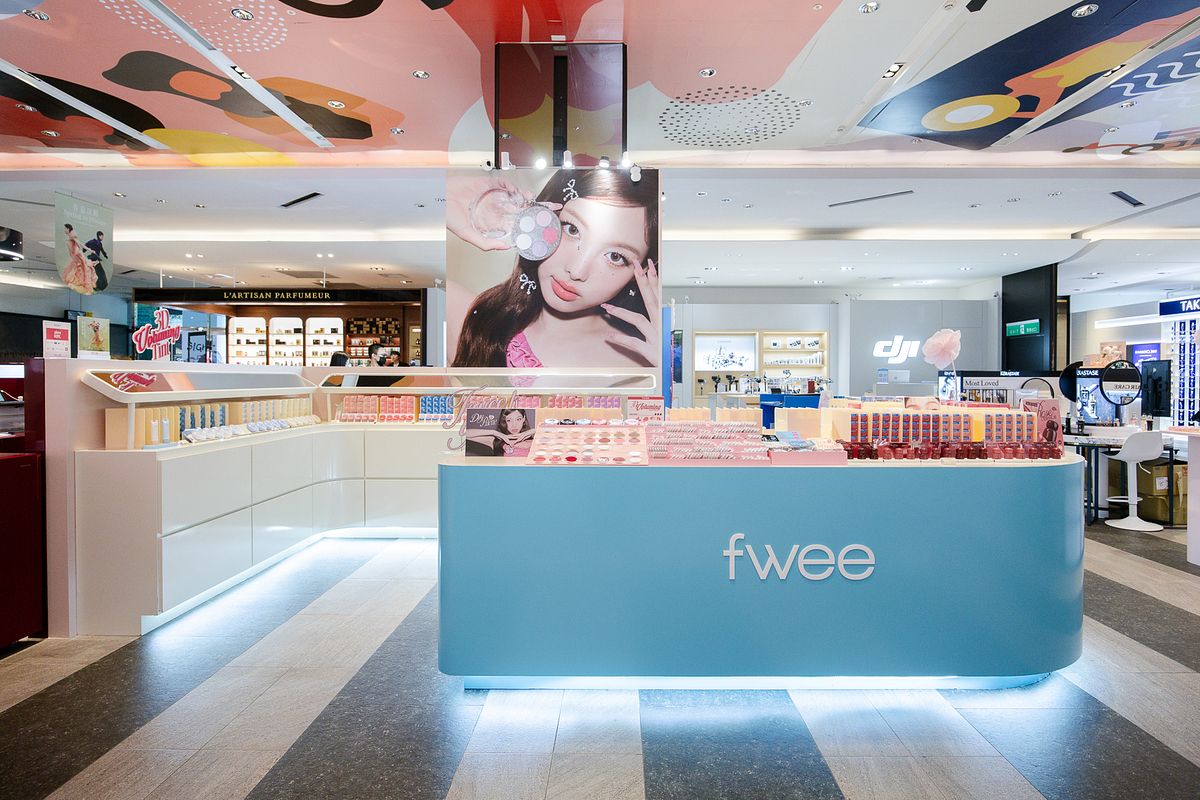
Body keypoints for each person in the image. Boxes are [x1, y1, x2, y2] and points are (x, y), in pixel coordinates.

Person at [449, 170, 659, 368]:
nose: (576, 271)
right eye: (572, 229)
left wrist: (664, 371)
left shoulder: (642, 361)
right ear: (540, 216)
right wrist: (449, 195)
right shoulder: (465, 321)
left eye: (615, 257)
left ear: (639, 273)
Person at [466, 408, 535, 457]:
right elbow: (464, 434)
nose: (514, 425)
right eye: (509, 420)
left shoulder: (534, 441)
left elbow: (542, 431)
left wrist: (529, 432)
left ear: (523, 419)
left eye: (518, 419)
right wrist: (494, 432)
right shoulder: (496, 441)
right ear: (504, 421)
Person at [61, 224, 96, 294]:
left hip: (77, 255)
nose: (64, 230)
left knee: (81, 268)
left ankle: (84, 285)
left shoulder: (72, 235)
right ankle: (80, 284)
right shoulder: (70, 235)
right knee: (78, 268)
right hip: (75, 255)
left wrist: (90, 250)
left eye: (65, 228)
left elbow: (80, 244)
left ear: (68, 229)